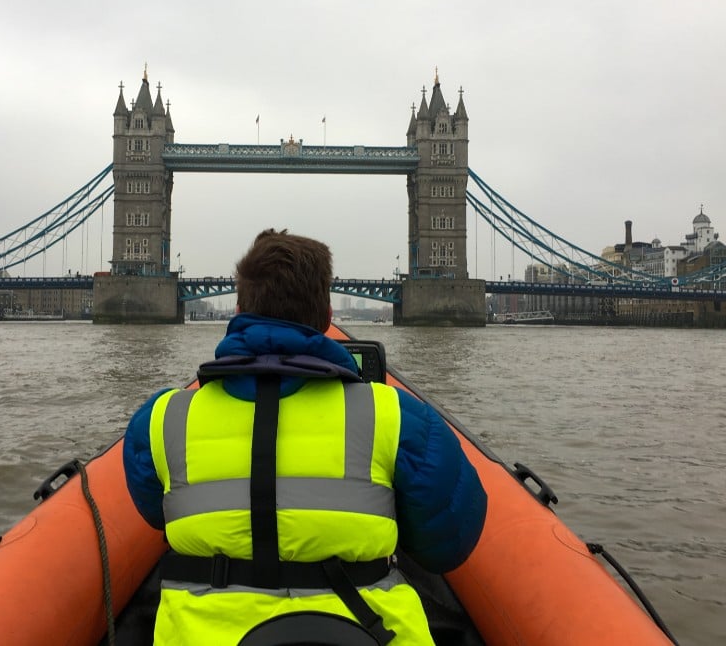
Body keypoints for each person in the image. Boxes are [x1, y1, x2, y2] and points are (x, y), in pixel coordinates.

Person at [123, 229, 487, 645]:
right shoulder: (398, 417)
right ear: (327, 315)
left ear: (239, 308)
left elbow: (157, 515)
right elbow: (449, 546)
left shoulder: (161, 420)